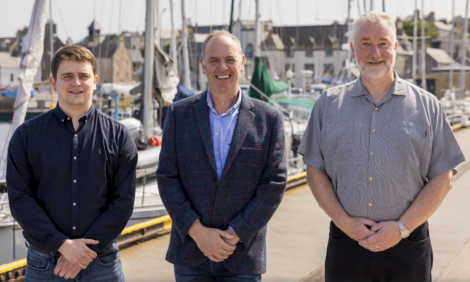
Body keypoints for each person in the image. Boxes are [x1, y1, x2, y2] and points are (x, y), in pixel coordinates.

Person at [298, 11, 465, 282]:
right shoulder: (327, 105)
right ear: (353, 49)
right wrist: (344, 222)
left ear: (395, 47)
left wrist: (401, 227)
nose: (375, 52)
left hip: (408, 245)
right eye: (365, 43)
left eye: (383, 43)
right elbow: (314, 170)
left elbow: (443, 178)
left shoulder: (428, 105)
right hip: (347, 244)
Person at [156, 30, 287, 281]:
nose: (222, 67)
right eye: (214, 60)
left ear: (242, 62)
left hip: (242, 253)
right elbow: (167, 177)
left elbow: (274, 184)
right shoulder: (178, 114)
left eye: (229, 59)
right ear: (203, 66)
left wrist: (236, 233)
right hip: (190, 252)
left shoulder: (269, 118)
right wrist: (197, 232)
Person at [7, 45, 138, 281]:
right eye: (67, 76)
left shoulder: (119, 136)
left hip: (102, 264)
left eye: (84, 76)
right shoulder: (26, 136)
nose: (76, 82)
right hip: (45, 264)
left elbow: (123, 203)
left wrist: (82, 253)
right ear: (54, 82)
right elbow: (20, 199)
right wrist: (63, 245)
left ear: (95, 81)